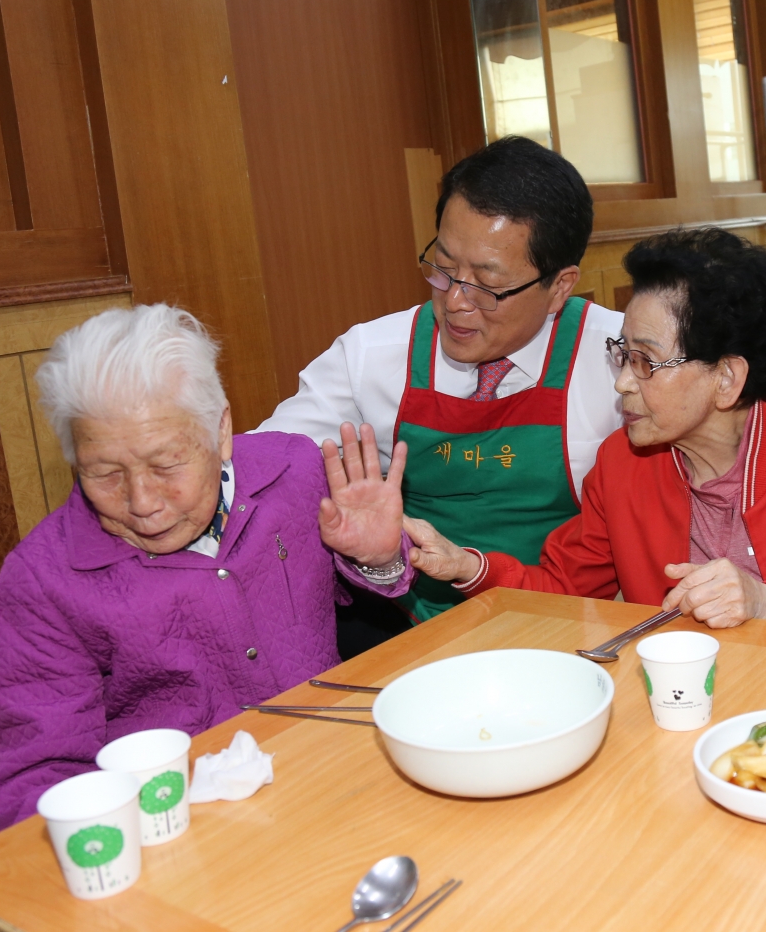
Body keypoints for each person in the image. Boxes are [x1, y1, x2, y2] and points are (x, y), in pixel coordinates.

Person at [0, 305, 410, 829]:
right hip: (183, 829)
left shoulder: (294, 473)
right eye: (104, 473)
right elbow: (36, 775)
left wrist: (378, 560)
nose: (141, 501)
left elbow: (367, 609)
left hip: (338, 775)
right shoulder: (42, 581)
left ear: (221, 429)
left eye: (166, 466)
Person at [401, 228, 766, 631]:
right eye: (622, 354)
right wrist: (467, 566)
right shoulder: (622, 464)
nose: (622, 382)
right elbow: (563, 587)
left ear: (726, 378)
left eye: (645, 361)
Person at [257, 137, 624, 639]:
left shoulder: (620, 358)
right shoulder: (372, 355)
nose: (455, 301)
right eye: (444, 268)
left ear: (560, 286)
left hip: (569, 622)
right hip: (407, 623)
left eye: (487, 285)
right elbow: (265, 468)